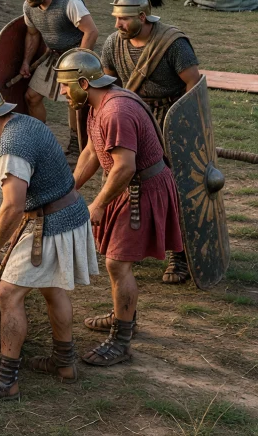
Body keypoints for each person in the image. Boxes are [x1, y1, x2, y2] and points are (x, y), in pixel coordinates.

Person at [0, 71, 96, 401]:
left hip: (52, 224)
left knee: (7, 295)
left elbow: (12, 206)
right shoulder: (26, 124)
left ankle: (5, 380)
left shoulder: (11, 145)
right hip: (69, 214)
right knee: (52, 288)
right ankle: (64, 364)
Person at [56, 49, 183, 367]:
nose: (60, 92)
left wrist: (97, 204)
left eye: (64, 85)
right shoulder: (96, 103)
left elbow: (124, 167)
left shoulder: (116, 111)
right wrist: (68, 190)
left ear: (84, 82)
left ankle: (121, 340)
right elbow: (91, 151)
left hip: (140, 189)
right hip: (126, 187)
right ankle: (123, 315)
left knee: (116, 263)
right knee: (116, 261)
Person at [99, 0, 200, 284]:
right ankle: (125, 245)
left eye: (124, 19)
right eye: (115, 18)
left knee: (174, 189)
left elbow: (193, 84)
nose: (117, 25)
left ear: (143, 17)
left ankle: (178, 256)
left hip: (169, 119)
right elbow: (109, 84)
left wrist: (178, 126)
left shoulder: (173, 43)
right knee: (119, 179)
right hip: (131, 118)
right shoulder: (113, 43)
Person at [16, 0, 99, 135]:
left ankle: (76, 142)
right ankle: (42, 138)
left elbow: (91, 31)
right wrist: (26, 61)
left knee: (74, 101)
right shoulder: (29, 7)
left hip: (76, 55)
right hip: (52, 56)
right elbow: (32, 35)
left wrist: (78, 64)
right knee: (31, 97)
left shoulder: (69, 3)